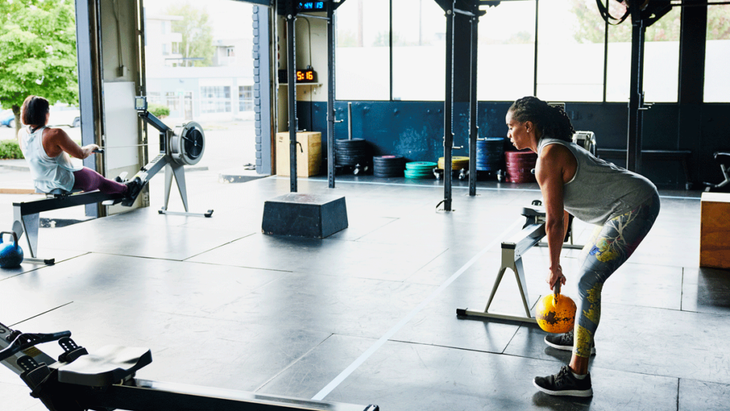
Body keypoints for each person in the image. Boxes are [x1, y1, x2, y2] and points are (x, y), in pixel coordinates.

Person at [505, 96, 660, 397]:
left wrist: (552, 267)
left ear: (527, 126)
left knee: (589, 279)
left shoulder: (548, 156)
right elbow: (561, 213)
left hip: (634, 205)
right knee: (585, 270)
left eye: (511, 127)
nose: (509, 134)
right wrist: (558, 262)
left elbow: (553, 222)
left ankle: (578, 376)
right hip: (624, 207)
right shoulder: (552, 148)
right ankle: (582, 337)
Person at [18, 95, 141, 199]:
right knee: (99, 180)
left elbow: (43, 155)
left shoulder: (22, 134)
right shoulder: (55, 133)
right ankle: (127, 189)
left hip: (42, 183)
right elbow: (81, 154)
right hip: (64, 181)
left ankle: (114, 184)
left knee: (99, 180)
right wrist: (92, 147)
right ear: (45, 113)